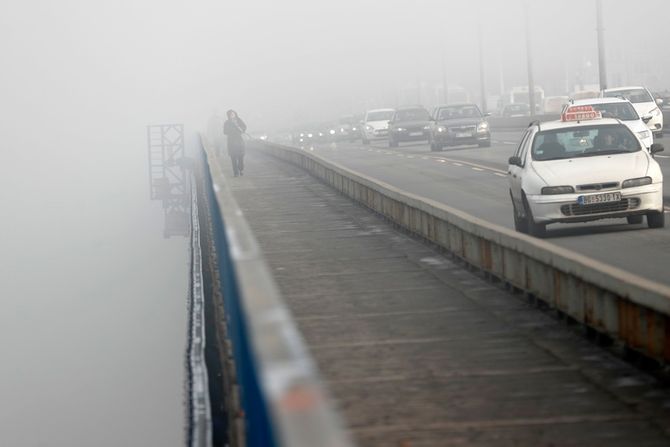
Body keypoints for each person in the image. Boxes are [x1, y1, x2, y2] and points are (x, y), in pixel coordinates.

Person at [223, 109, 247, 177]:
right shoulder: (227, 123)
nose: (232, 115)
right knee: (233, 158)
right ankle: (236, 172)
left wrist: (240, 129)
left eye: (233, 114)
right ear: (228, 116)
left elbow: (244, 127)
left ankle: (241, 169)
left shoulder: (239, 120)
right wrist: (232, 131)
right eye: (230, 114)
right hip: (231, 142)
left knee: (241, 157)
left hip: (239, 141)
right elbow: (225, 132)